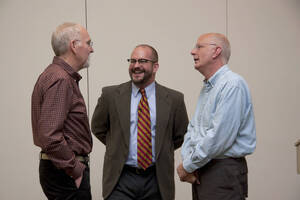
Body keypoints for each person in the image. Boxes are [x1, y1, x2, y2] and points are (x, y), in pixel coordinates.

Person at [91, 44, 189, 200]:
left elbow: (179, 135)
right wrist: (118, 144)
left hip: (157, 179)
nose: (136, 66)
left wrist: (158, 148)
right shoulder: (110, 95)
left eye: (142, 61)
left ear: (155, 66)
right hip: (120, 178)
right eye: (133, 61)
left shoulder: (174, 99)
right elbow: (98, 128)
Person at [177, 33, 256, 200]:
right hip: (204, 167)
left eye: (199, 47)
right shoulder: (209, 86)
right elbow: (194, 129)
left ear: (216, 51)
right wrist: (188, 163)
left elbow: (218, 137)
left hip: (222, 171)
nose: (192, 51)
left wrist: (188, 165)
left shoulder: (232, 84)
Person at [31, 22, 94, 199]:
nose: (91, 49)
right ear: (74, 46)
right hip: (64, 173)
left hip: (61, 170)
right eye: (89, 43)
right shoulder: (61, 79)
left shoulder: (54, 74)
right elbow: (50, 136)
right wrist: (75, 170)